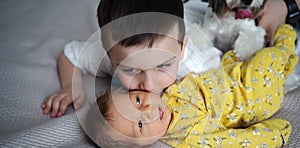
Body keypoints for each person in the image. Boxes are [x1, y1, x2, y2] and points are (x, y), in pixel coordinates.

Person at [95, 24, 298, 148]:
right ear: (144, 146)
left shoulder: (159, 91)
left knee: (243, 58)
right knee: (268, 58)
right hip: (253, 94)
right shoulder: (188, 132)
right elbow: (232, 142)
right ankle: (286, 43)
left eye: (137, 101)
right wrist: (273, 135)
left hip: (231, 76)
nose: (148, 110)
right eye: (140, 126)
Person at [41, 0, 221, 118]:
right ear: (109, 54)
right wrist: (71, 86)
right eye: (131, 70)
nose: (149, 85)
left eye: (164, 65)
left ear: (182, 48)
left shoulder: (197, 66)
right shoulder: (105, 54)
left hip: (199, 11)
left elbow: (219, 83)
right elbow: (69, 55)